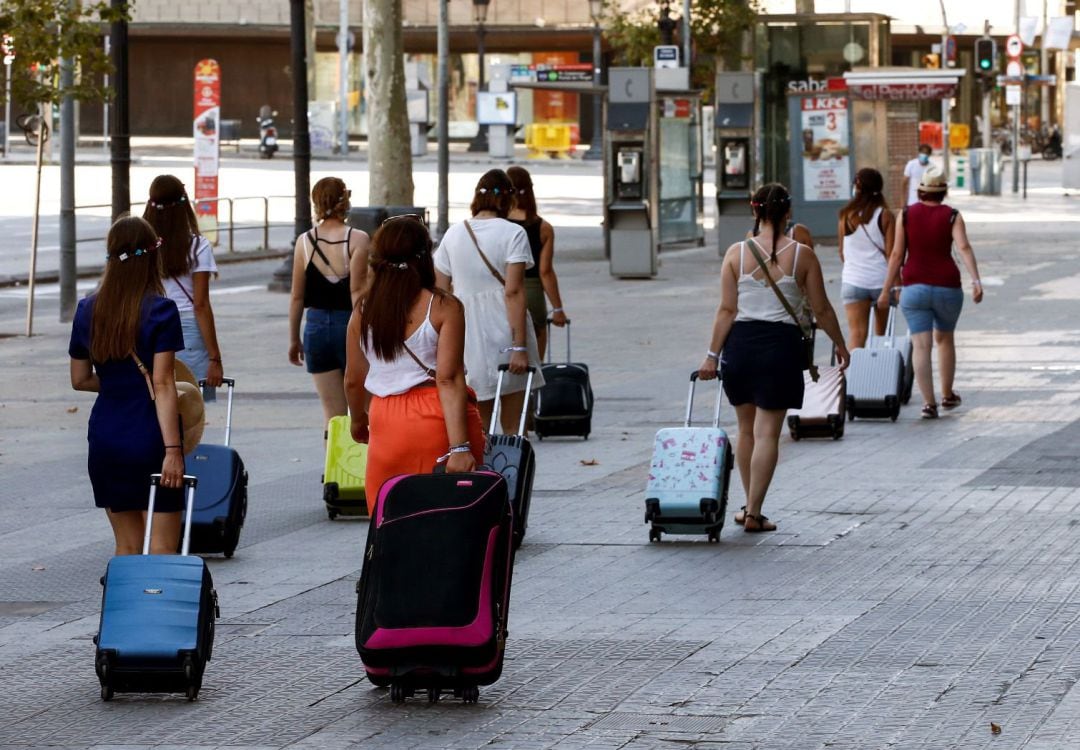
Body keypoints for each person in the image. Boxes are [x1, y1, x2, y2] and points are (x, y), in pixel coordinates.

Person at [699, 184, 849, 533]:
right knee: (768, 434)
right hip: (781, 348)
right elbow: (822, 309)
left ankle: (748, 507)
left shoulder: (735, 254)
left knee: (745, 431)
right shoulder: (803, 255)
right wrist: (841, 344)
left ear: (755, 212)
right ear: (787, 214)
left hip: (740, 347)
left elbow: (726, 310)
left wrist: (711, 357)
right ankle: (754, 512)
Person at [344, 216, 486, 512]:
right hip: (437, 418)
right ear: (425, 256)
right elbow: (449, 379)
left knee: (390, 518)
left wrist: (358, 420)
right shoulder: (444, 306)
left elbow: (353, 379)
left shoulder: (363, 310)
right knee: (447, 519)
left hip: (385, 419)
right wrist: (459, 448)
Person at [68, 217, 186, 556]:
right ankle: (157, 609)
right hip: (150, 434)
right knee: (162, 547)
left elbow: (79, 379)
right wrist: (173, 452)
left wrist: (119, 382)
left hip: (106, 435)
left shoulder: (87, 310)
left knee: (127, 545)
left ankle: (122, 609)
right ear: (152, 258)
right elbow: (163, 383)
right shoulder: (161, 311)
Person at [434, 169, 545, 434]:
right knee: (514, 427)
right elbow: (514, 292)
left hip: (464, 330)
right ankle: (513, 473)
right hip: (506, 327)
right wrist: (519, 346)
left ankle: (483, 474)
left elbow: (440, 291)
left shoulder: (453, 234)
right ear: (509, 200)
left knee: (478, 423)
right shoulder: (514, 233)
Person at [878, 167, 983, 420]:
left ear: (920, 190)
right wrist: (976, 280)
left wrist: (885, 291)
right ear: (944, 191)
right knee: (945, 339)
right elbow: (964, 247)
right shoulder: (952, 216)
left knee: (921, 345)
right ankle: (947, 394)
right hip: (948, 286)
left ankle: (929, 403)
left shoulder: (906, 215)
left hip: (914, 288)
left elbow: (896, 255)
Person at [288, 177, 371, 431]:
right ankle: (366, 469)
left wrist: (294, 339)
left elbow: (297, 297)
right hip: (349, 325)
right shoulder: (357, 239)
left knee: (333, 419)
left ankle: (332, 471)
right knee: (364, 414)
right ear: (345, 201)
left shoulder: (304, 242)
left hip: (315, 328)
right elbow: (357, 291)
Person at [143, 175, 223, 402]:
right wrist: (215, 358)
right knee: (191, 411)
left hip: (149, 323)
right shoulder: (197, 246)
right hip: (187, 329)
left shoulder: (142, 246)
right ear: (184, 204)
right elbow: (200, 305)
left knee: (155, 402)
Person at [506, 166, 567, 360]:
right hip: (532, 293)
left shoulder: (499, 226)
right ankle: (532, 390)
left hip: (502, 292)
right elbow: (545, 271)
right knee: (535, 364)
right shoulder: (543, 228)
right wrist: (557, 309)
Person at [837, 168, 895, 350]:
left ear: (857, 187)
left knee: (857, 334)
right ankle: (878, 374)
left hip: (853, 281)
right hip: (881, 283)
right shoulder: (885, 215)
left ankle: (854, 376)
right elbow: (892, 254)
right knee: (881, 335)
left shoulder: (845, 215)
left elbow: (842, 253)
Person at [902, 144, 933, 209]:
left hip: (927, 202)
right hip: (913, 202)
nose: (924, 155)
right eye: (922, 152)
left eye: (926, 153)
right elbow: (904, 182)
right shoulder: (911, 164)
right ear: (919, 153)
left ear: (929, 155)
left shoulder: (932, 167)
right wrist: (903, 200)